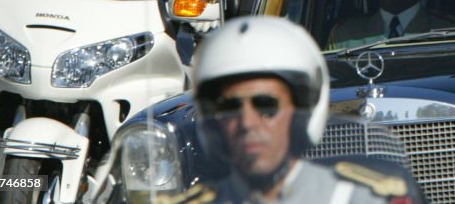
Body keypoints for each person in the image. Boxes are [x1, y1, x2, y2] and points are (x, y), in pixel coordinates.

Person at [172, 16, 425, 203]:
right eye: (229, 107)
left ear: (301, 112)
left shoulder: (367, 197)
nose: (247, 122)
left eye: (266, 105)